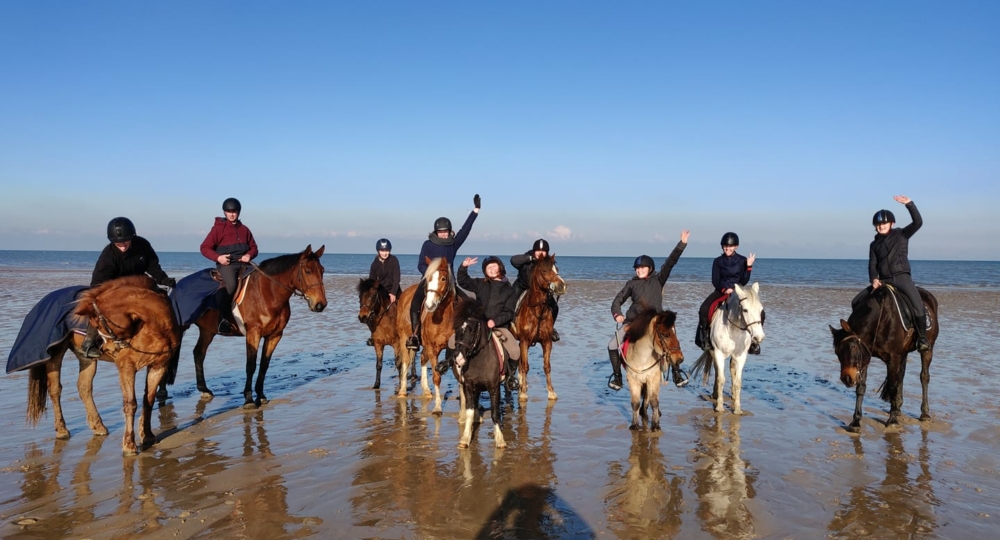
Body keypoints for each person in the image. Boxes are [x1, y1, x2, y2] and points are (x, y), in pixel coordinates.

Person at [81, 217, 177, 358]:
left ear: (133, 236)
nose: (122, 245)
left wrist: (163, 279)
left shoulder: (143, 245)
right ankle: (89, 343)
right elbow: (98, 282)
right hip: (115, 289)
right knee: (99, 308)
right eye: (118, 243)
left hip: (139, 285)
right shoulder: (108, 255)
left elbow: (153, 266)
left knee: (162, 299)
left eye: (125, 242)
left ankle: (168, 334)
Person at [607, 230, 690, 391]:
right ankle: (617, 377)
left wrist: (682, 244)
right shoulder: (631, 284)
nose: (639, 270)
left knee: (671, 338)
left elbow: (670, 262)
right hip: (634, 322)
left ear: (650, 268)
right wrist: (617, 314)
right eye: (637, 268)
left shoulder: (658, 279)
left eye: (642, 268)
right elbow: (617, 301)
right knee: (611, 345)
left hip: (656, 321)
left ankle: (676, 374)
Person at [406, 194, 481, 350]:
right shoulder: (427, 244)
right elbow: (420, 264)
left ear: (449, 231)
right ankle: (415, 336)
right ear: (436, 232)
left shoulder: (452, 244)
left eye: (445, 231)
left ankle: (468, 337)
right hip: (429, 281)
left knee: (469, 303)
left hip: (449, 283)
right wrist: (431, 274)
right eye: (440, 232)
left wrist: (475, 211)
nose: (443, 234)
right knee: (415, 303)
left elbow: (465, 231)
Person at [437, 256, 520, 388]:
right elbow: (463, 281)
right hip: (478, 325)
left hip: (499, 326)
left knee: (515, 351)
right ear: (485, 271)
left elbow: (509, 312)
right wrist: (463, 267)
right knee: (452, 341)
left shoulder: (509, 290)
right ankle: (447, 363)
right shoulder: (480, 283)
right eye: (488, 268)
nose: (492, 269)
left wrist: (495, 321)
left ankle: (509, 378)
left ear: (500, 267)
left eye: (494, 266)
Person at [870, 195, 929, 351]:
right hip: (884, 281)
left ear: (892, 223)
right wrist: (874, 279)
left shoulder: (901, 234)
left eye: (884, 223)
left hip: (902, 278)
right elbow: (872, 264)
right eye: (878, 224)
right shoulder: (874, 244)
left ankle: (922, 339)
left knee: (918, 306)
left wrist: (909, 204)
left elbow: (918, 222)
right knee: (860, 301)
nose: (881, 226)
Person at [200, 197, 258, 334]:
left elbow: (254, 247)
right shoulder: (218, 230)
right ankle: (223, 319)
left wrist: (249, 255)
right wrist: (218, 258)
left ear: (239, 212)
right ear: (225, 213)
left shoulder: (245, 230)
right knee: (231, 285)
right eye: (229, 211)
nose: (232, 214)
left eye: (234, 211)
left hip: (244, 263)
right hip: (227, 264)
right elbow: (204, 248)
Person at [695, 232, 757, 353]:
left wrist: (749, 267)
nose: (727, 248)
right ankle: (705, 338)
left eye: (730, 246)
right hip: (721, 289)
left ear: (736, 247)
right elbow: (715, 280)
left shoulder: (743, 260)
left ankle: (754, 342)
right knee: (704, 309)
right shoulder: (717, 261)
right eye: (725, 246)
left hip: (738, 290)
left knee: (758, 311)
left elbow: (744, 281)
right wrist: (724, 289)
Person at [510, 238, 560, 341]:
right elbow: (513, 260)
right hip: (523, 286)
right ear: (534, 251)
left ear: (547, 252)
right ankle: (509, 325)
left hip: (540, 290)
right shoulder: (526, 259)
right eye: (538, 250)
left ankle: (551, 329)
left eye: (543, 251)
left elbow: (552, 278)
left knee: (555, 307)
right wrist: (531, 258)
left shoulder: (549, 263)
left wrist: (557, 288)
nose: (540, 253)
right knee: (510, 301)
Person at [366, 238, 401, 346]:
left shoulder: (394, 260)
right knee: (368, 309)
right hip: (381, 291)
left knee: (403, 309)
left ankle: (403, 331)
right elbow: (371, 280)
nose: (385, 253)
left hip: (394, 290)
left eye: (386, 250)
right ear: (378, 251)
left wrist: (393, 293)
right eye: (382, 250)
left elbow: (397, 278)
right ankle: (373, 334)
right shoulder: (374, 263)